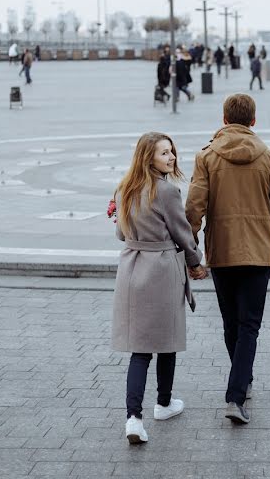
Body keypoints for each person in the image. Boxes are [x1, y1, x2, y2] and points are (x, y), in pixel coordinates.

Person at [185, 94, 270, 425]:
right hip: (259, 253)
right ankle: (238, 390)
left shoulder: (206, 157)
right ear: (253, 121)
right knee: (249, 325)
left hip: (221, 251)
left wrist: (192, 249)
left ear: (223, 119)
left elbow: (194, 207)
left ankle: (239, 384)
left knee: (232, 322)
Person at [111, 132, 206, 445]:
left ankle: (133, 418)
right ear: (148, 157)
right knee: (167, 339)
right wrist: (196, 262)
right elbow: (182, 233)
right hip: (162, 269)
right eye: (165, 153)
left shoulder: (124, 188)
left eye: (172, 152)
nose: (172, 158)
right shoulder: (166, 191)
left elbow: (120, 235)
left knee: (140, 349)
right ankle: (163, 403)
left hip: (131, 269)